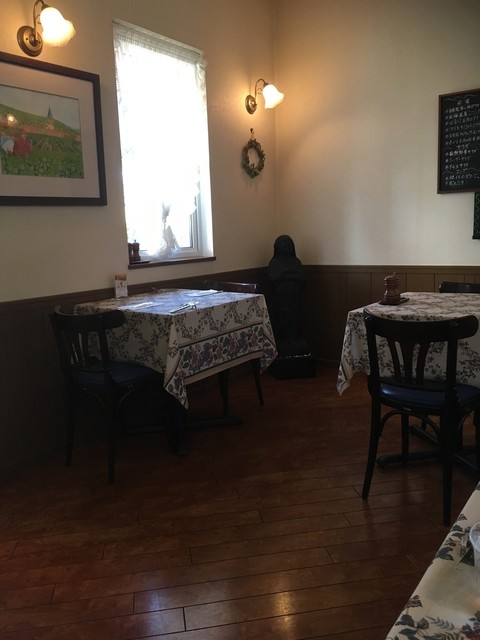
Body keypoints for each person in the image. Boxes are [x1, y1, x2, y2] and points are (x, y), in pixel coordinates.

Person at [268, 235, 308, 356]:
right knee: (282, 318)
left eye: (288, 245)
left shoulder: (296, 261)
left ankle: (295, 338)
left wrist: (285, 274)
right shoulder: (274, 262)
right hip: (280, 298)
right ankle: (285, 340)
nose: (286, 247)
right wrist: (290, 274)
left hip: (295, 297)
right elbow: (274, 279)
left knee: (296, 318)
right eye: (283, 245)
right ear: (277, 247)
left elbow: (302, 278)